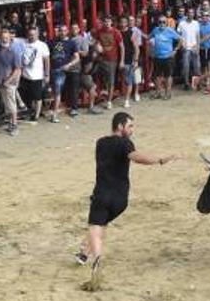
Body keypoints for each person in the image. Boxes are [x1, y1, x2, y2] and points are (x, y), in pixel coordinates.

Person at [74, 112, 179, 290]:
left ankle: (97, 260)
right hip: (121, 200)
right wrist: (161, 160)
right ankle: (84, 252)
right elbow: (137, 157)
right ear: (120, 126)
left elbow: (132, 157)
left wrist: (159, 160)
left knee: (96, 226)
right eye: (130, 126)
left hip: (102, 194)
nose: (132, 130)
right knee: (101, 225)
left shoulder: (100, 143)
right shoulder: (125, 144)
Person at [22, 25, 51, 123]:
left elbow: (47, 60)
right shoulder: (23, 43)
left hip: (37, 75)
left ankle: (37, 115)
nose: (32, 36)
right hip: (25, 75)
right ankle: (29, 113)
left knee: (37, 96)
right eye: (30, 34)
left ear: (38, 35)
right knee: (27, 96)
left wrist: (47, 74)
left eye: (34, 35)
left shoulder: (42, 45)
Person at [149, 15, 182, 99]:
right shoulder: (155, 30)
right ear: (158, 23)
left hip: (168, 57)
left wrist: (175, 50)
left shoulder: (170, 31)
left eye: (164, 22)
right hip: (157, 57)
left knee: (168, 76)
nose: (162, 24)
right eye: (160, 22)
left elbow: (180, 40)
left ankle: (168, 93)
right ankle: (158, 92)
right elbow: (149, 37)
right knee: (157, 76)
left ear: (166, 23)